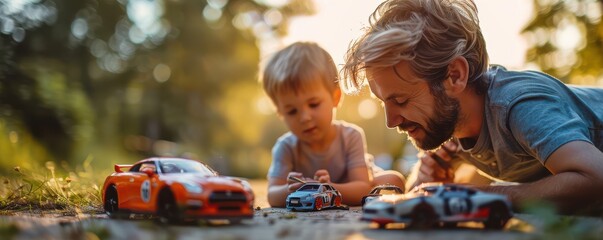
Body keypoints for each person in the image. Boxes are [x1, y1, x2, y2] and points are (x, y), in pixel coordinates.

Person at [341, 0, 603, 214]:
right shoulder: (451, 127)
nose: (391, 120)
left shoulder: (519, 104)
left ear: (454, 76)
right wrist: (441, 185)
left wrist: (475, 196)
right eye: (383, 102)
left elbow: (596, 178)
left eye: (400, 101)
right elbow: (434, 197)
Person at [260, 42, 406, 207]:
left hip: (356, 181)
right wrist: (292, 189)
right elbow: (272, 195)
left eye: (313, 104)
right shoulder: (286, 147)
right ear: (280, 113)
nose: (305, 117)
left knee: (393, 180)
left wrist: (326, 188)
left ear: (335, 97)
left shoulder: (351, 136)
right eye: (292, 111)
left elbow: (362, 188)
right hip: (334, 190)